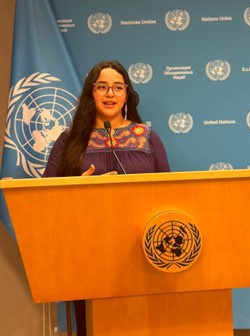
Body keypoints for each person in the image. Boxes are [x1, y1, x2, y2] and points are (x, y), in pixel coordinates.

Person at [42, 60, 170, 335]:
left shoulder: (147, 137)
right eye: (102, 87)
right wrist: (77, 187)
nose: (110, 94)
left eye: (117, 87)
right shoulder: (69, 140)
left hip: (141, 250)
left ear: (127, 95)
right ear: (91, 93)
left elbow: (167, 193)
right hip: (87, 250)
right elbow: (44, 196)